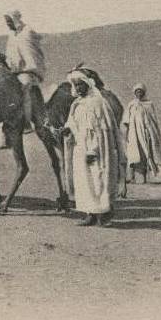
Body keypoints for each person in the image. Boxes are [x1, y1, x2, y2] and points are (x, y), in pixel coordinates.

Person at [62, 69, 126, 227]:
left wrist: (94, 149)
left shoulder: (98, 103)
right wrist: (67, 129)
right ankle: (89, 213)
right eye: (75, 85)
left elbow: (102, 130)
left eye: (80, 84)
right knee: (84, 181)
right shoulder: (76, 104)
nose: (78, 88)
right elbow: (72, 122)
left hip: (97, 149)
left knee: (98, 179)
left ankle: (103, 215)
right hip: (80, 147)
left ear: (88, 84)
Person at [0, 10, 47, 147]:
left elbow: (33, 54)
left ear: (15, 19)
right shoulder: (12, 34)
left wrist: (24, 67)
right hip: (15, 71)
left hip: (28, 72)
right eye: (6, 21)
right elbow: (11, 54)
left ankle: (26, 122)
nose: (7, 24)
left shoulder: (28, 32)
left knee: (24, 85)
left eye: (9, 21)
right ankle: (3, 130)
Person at [123, 83, 161, 183]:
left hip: (146, 134)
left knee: (146, 153)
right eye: (137, 91)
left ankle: (143, 177)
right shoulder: (131, 104)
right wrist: (127, 133)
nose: (139, 93)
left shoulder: (149, 104)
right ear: (134, 93)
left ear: (144, 92)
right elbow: (126, 120)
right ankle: (132, 177)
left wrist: (152, 133)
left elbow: (153, 121)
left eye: (141, 91)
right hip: (134, 134)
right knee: (134, 154)